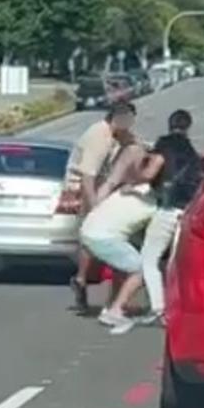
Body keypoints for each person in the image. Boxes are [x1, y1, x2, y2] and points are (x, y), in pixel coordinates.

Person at [79, 132, 156, 334]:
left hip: (90, 229)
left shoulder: (132, 188)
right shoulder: (154, 201)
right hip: (102, 237)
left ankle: (112, 304)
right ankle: (114, 311)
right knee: (140, 269)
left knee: (123, 266)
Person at [66, 101, 137, 313]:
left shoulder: (115, 134)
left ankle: (90, 281)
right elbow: (88, 176)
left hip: (100, 187)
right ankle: (82, 279)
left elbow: (134, 144)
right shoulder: (100, 137)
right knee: (94, 233)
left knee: (100, 235)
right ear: (117, 118)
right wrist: (95, 206)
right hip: (83, 189)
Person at [134, 109, 203, 325]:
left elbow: (150, 172)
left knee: (149, 257)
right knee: (175, 262)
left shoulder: (165, 144)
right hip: (187, 209)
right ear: (189, 126)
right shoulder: (192, 152)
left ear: (169, 123)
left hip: (168, 206)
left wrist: (134, 176)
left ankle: (158, 308)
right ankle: (178, 308)